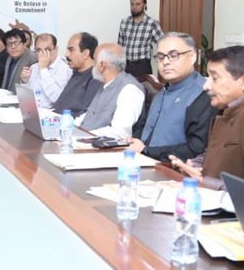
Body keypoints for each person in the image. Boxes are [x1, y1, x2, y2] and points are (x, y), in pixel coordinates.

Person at [129, 32, 218, 161]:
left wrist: (147, 151)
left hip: (173, 168)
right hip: (142, 161)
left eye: (173, 56)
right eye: (160, 57)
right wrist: (134, 141)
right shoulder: (161, 92)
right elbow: (143, 127)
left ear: (192, 56)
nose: (165, 62)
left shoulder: (204, 94)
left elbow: (196, 148)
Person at [169, 46, 244, 189]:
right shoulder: (224, 111)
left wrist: (204, 181)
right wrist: (195, 165)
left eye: (215, 78)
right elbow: (217, 153)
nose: (206, 86)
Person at [79, 43, 145, 139]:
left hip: (98, 145)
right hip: (82, 140)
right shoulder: (104, 85)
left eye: (94, 60)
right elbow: (91, 116)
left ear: (102, 65)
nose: (92, 65)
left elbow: (120, 133)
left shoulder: (130, 90)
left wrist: (83, 136)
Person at [52, 32, 102, 118]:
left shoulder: (95, 78)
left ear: (85, 53)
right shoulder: (76, 72)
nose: (66, 54)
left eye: (71, 50)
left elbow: (86, 115)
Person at [117, 0, 164, 77]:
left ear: (144, 5)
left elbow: (163, 42)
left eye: (138, 4)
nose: (134, 7)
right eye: (132, 4)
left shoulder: (152, 23)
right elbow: (120, 46)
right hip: (126, 65)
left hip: (142, 66)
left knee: (144, 85)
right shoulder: (124, 22)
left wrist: (159, 57)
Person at [20, 33, 71, 108]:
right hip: (33, 110)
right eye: (39, 50)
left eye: (47, 50)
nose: (43, 54)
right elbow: (25, 100)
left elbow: (57, 98)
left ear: (56, 50)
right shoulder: (33, 67)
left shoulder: (64, 69)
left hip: (52, 112)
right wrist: (25, 82)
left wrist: (43, 69)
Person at [1, 28, 37, 93]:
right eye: (9, 44)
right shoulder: (9, 58)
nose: (13, 47)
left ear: (24, 44)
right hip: (6, 96)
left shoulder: (33, 59)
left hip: (22, 97)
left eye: (16, 43)